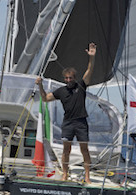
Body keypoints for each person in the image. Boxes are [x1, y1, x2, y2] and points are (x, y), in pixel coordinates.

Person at [35, 42, 96, 184]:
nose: (69, 80)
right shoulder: (61, 91)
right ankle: (65, 174)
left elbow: (90, 70)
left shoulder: (81, 85)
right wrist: (40, 86)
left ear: (75, 78)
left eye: (71, 78)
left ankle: (87, 176)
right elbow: (45, 99)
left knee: (84, 150)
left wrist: (92, 57)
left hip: (81, 122)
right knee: (65, 150)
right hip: (68, 123)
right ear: (64, 79)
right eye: (66, 78)